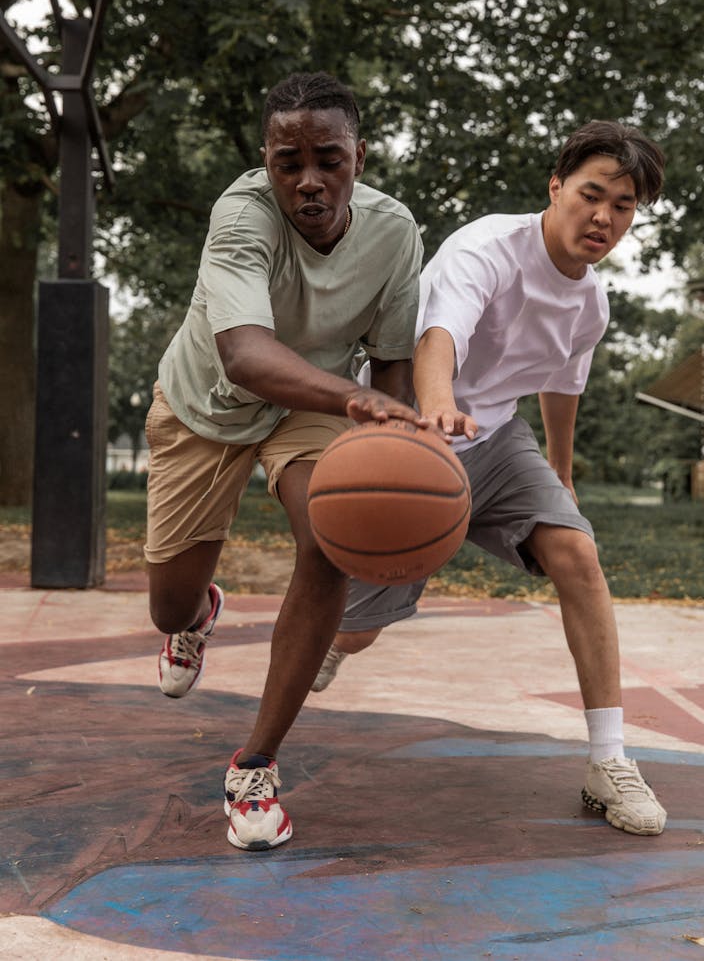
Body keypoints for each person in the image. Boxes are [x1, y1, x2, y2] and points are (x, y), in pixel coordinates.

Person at [313, 120, 668, 837]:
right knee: (357, 630)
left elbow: (562, 386)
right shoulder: (488, 248)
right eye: (591, 194)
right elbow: (438, 336)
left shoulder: (592, 303)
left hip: (500, 439)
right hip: (412, 428)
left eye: (624, 205)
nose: (603, 217)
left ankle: (608, 759)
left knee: (578, 554)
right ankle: (329, 643)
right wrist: (437, 414)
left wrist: (561, 472)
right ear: (556, 187)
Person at [144, 71, 426, 851]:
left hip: (312, 407)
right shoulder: (240, 215)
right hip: (211, 404)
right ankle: (195, 617)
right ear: (265, 161)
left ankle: (256, 763)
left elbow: (394, 359)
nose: (308, 179)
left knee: (329, 541)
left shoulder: (395, 232)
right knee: (166, 602)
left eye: (328, 159)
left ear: (359, 157)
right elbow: (243, 354)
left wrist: (394, 438)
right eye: (288, 160)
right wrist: (359, 401)